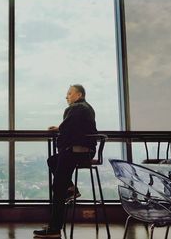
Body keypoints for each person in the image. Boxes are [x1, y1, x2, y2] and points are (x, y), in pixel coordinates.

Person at [33, 84, 98, 238]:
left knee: (57, 186)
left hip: (75, 151)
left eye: (69, 93)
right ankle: (70, 188)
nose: (66, 96)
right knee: (52, 161)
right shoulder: (86, 108)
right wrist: (60, 129)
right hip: (84, 151)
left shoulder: (75, 108)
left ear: (79, 95)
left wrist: (60, 137)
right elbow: (71, 128)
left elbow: (66, 134)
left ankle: (54, 229)